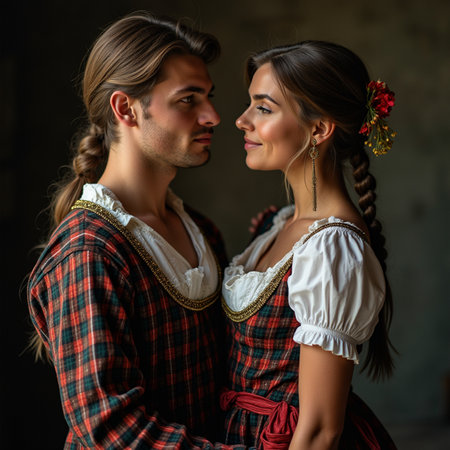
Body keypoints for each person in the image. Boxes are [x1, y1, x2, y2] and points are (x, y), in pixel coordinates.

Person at [27, 12, 241, 449]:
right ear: (126, 108)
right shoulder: (90, 250)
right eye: (188, 99)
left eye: (209, 97)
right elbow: (111, 428)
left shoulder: (200, 231)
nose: (214, 115)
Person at [220, 41, 397, 449]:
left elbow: (320, 431)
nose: (241, 120)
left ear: (319, 129)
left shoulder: (331, 249)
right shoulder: (280, 224)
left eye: (263, 108)